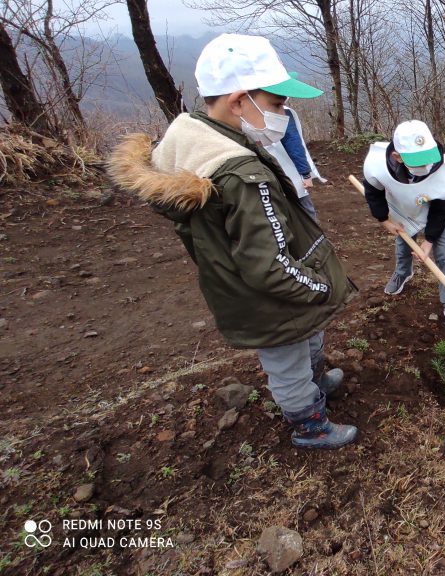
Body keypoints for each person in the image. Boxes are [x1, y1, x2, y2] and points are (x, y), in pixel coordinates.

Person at [108, 33, 358, 450]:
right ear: (240, 101)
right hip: (271, 298)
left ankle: (316, 384)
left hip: (252, 288)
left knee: (305, 342)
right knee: (288, 362)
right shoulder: (241, 174)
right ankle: (309, 424)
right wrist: (320, 285)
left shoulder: (200, 140)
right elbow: (269, 265)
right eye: (277, 105)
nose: (283, 115)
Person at [363, 121, 445, 330]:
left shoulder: (443, 169)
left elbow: (443, 208)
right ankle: (403, 272)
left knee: (444, 254)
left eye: (428, 159)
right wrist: (384, 220)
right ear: (397, 157)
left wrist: (429, 241)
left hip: (431, 208)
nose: (427, 167)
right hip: (401, 208)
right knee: (403, 243)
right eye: (418, 162)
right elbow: (373, 192)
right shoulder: (377, 164)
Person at [264, 91, 326, 220]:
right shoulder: (283, 112)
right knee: (305, 214)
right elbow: (294, 143)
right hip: (288, 173)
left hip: (262, 178)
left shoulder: (241, 114)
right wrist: (305, 174)